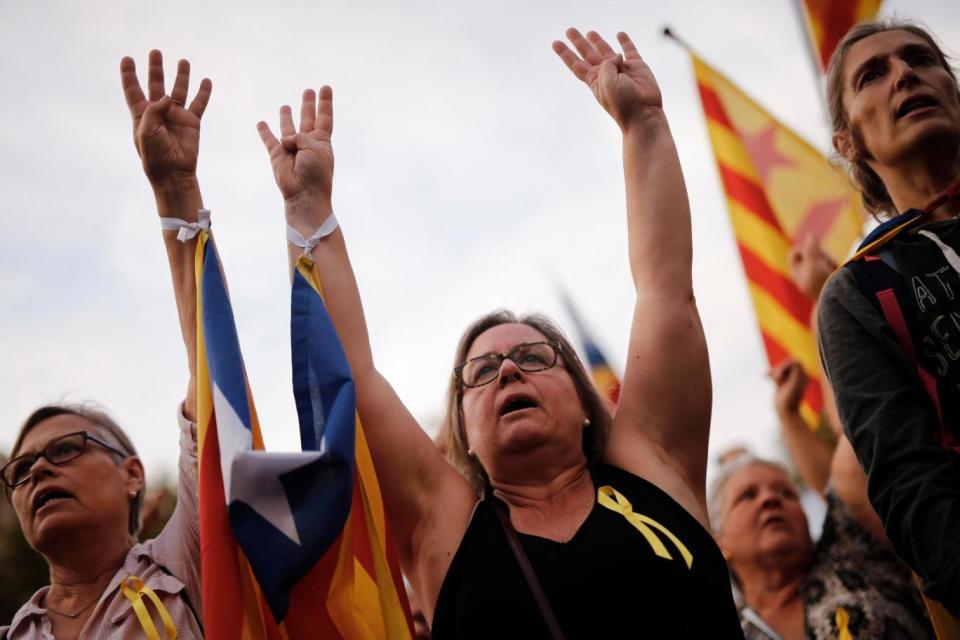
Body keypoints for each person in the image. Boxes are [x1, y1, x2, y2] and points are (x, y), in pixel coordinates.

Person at [256, 29, 742, 637]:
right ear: (463, 430)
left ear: (588, 403)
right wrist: (307, 211)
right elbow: (347, 377)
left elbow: (666, 291)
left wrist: (643, 124)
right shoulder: (444, 529)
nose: (508, 370)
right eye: (480, 373)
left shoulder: (653, 468)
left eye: (534, 357)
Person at [0, 50, 211, 640]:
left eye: (65, 449)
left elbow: (212, 376)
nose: (37, 468)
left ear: (133, 475)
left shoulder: (187, 564)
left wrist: (176, 193)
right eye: (18, 471)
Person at [817, 19, 960, 616]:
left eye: (922, 60)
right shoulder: (859, 292)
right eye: (872, 75)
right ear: (849, 143)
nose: (905, 74)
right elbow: (912, 488)